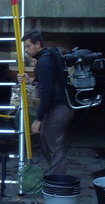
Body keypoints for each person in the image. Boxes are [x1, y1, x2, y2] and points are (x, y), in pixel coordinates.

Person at [19, 30, 74, 175]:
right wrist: (30, 80)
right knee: (45, 141)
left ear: (38, 44)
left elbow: (47, 93)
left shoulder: (44, 61)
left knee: (54, 146)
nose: (26, 50)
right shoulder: (48, 57)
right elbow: (48, 82)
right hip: (58, 106)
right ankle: (56, 178)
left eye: (28, 46)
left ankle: (59, 185)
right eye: (25, 47)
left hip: (59, 107)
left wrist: (38, 119)